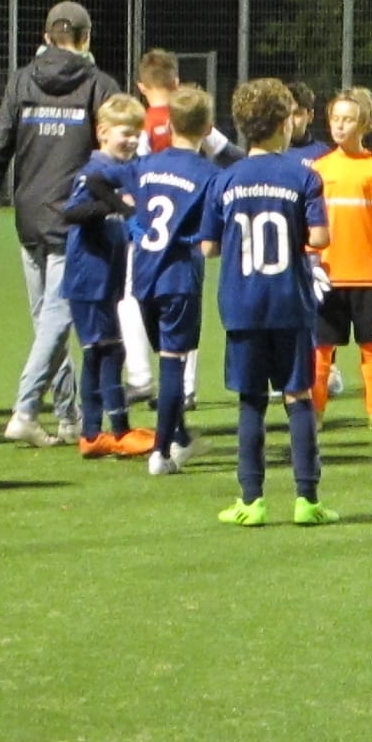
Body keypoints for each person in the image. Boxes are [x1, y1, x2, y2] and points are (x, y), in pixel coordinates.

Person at [0, 0, 122, 448]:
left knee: (47, 323)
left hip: (30, 216)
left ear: (45, 37)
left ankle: (68, 415)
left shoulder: (22, 81)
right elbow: (115, 152)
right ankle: (25, 409)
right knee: (57, 320)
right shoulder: (99, 84)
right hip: (74, 219)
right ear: (86, 38)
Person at [198, 77, 336, 527]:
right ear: (283, 124)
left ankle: (251, 501)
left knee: (251, 399)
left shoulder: (224, 180)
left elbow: (208, 247)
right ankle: (307, 499)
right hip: (290, 302)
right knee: (298, 396)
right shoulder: (304, 176)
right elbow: (320, 238)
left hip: (241, 304)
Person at [125, 84, 218, 475]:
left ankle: (179, 435)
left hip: (143, 274)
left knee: (165, 358)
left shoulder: (145, 165)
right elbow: (211, 242)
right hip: (179, 277)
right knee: (173, 364)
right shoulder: (209, 174)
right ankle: (162, 453)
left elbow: (131, 206)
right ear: (208, 128)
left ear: (170, 124)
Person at [59, 93, 154, 459]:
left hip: (105, 277)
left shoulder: (121, 172)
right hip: (89, 276)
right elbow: (72, 212)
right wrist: (113, 205)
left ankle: (93, 433)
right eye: (124, 133)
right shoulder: (94, 171)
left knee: (98, 353)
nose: (131, 140)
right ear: (102, 133)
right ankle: (116, 431)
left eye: (136, 134)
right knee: (109, 351)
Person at [309, 87, 372, 432]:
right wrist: (310, 263)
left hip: (370, 276)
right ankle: (314, 413)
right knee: (321, 352)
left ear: (364, 123)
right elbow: (309, 221)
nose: (339, 126)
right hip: (328, 277)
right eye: (335, 119)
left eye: (348, 119)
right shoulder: (319, 169)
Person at [286, 81, 343, 399]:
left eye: (297, 113)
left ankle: (328, 368)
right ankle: (287, 370)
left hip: (316, 248)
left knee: (321, 311)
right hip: (282, 245)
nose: (291, 120)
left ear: (309, 115)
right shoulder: (271, 153)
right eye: (286, 113)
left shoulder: (324, 155)